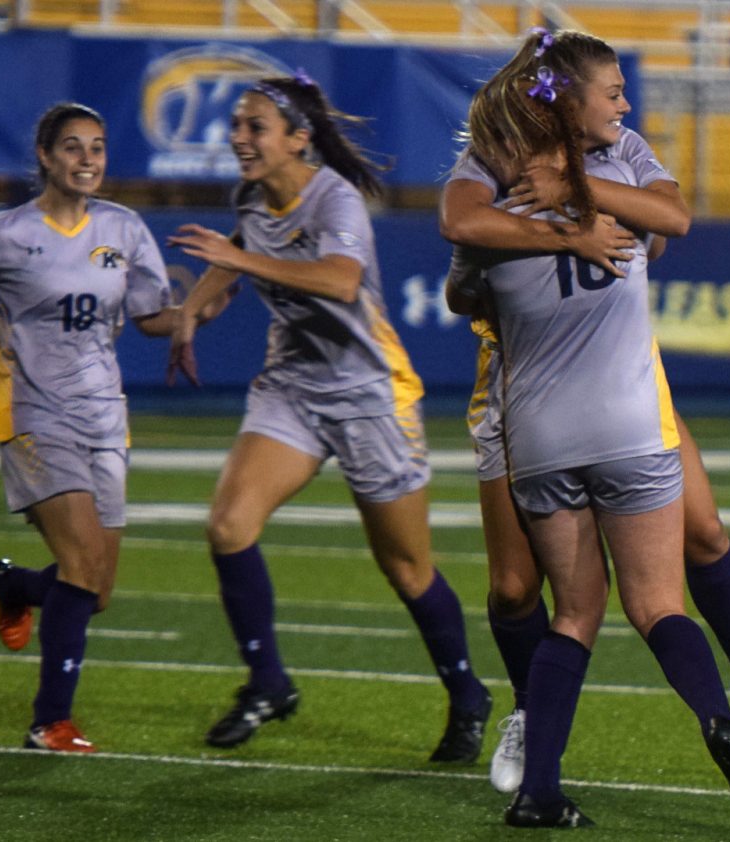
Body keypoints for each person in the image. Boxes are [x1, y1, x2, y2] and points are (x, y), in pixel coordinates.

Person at [440, 28, 730, 797]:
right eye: (613, 90)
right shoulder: (496, 163)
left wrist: (573, 200)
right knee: (521, 590)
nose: (627, 103)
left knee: (701, 536)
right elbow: (462, 248)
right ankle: (532, 710)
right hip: (517, 388)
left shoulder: (620, 151)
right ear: (563, 98)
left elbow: (672, 216)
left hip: (614, 385)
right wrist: (568, 231)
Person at [165, 71, 492, 761]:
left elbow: (340, 281)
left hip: (369, 393)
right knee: (228, 526)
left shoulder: (334, 199)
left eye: (255, 126)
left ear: (298, 139)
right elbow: (241, 245)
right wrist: (195, 306)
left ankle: (467, 694)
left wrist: (235, 258)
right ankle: (267, 681)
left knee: (407, 570)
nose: (239, 136)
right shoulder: (254, 199)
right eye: (238, 125)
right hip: (293, 387)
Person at [0, 102, 220, 752]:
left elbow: (152, 316)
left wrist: (190, 315)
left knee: (93, 590)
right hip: (32, 412)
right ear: (45, 156)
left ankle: (12, 584)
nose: (87, 159)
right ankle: (50, 721)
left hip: (105, 415)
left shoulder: (123, 228)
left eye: (97, 147)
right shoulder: (3, 233)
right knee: (82, 560)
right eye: (73, 147)